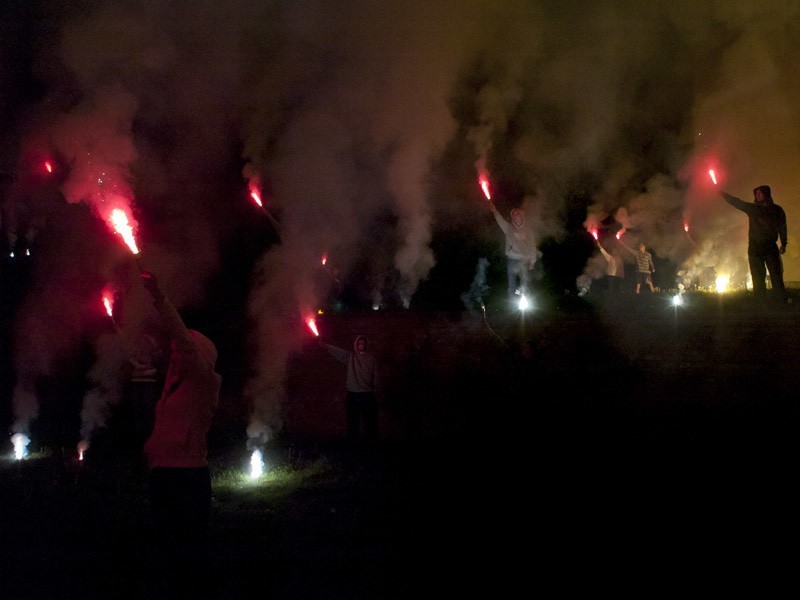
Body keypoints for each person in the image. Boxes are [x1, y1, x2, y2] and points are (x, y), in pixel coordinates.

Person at [139, 269, 222, 598]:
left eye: (182, 350)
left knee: (189, 556)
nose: (173, 354)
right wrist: (152, 447)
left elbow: (183, 342)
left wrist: (159, 296)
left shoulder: (203, 381)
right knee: (168, 553)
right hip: (164, 476)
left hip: (187, 479)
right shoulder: (174, 386)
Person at [721, 185, 788, 303]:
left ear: (766, 194)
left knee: (776, 275)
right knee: (757, 277)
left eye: (760, 193)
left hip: (770, 246)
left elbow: (782, 226)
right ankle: (760, 302)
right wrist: (723, 194)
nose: (758, 195)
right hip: (755, 248)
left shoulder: (777, 210)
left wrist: (784, 243)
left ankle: (780, 301)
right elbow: (737, 202)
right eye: (756, 193)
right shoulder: (753, 209)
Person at [319, 334, 379, 445]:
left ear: (366, 345)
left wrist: (375, 390)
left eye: (363, 343)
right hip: (353, 395)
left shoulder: (371, 359)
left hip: (367, 395)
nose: (361, 345)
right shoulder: (350, 357)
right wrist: (326, 346)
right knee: (352, 422)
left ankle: (371, 445)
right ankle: (353, 446)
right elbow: (338, 351)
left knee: (369, 423)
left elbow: (376, 375)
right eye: (359, 343)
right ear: (356, 345)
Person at [487, 200, 540, 303]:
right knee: (512, 283)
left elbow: (532, 246)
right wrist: (495, 211)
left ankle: (525, 305)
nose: (515, 216)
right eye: (513, 215)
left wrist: (532, 261)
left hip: (524, 259)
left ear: (521, 216)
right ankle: (512, 304)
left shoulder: (528, 230)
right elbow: (500, 220)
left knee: (524, 283)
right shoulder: (508, 228)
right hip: (512, 259)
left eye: (517, 214)